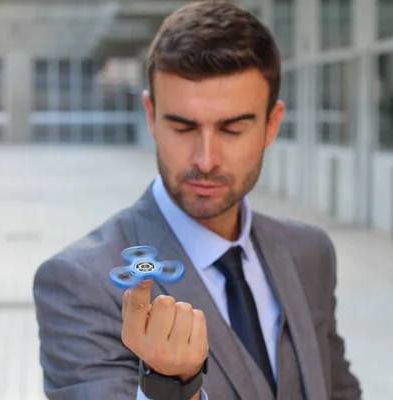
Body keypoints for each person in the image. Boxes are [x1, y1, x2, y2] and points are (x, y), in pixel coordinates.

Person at [32, 1, 362, 399]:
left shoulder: (309, 253)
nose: (206, 160)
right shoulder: (81, 282)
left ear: (271, 124)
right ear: (151, 116)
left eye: (233, 128)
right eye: (183, 126)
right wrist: (169, 388)